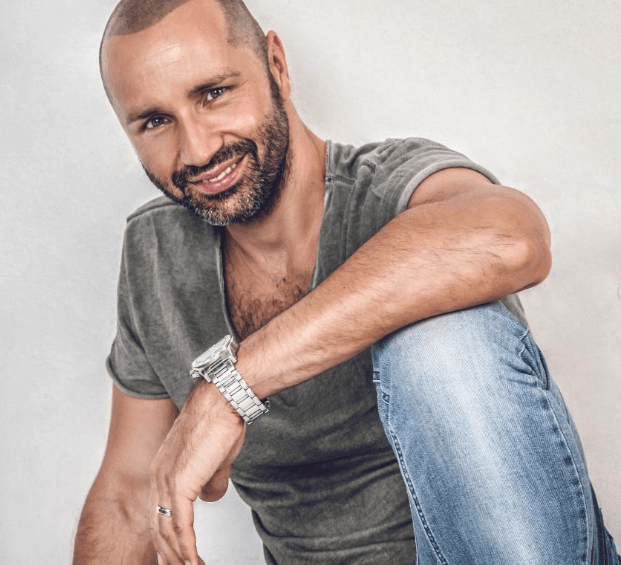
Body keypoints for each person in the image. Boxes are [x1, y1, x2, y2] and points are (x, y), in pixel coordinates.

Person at [73, 0, 620, 564]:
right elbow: (128, 494)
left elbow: (510, 239)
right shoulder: (155, 252)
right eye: (155, 122)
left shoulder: (389, 191)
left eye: (214, 93)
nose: (198, 149)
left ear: (276, 65)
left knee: (439, 341)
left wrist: (231, 388)